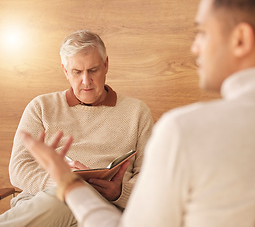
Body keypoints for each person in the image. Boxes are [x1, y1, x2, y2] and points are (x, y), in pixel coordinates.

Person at [17, 0, 255, 226]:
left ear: (240, 39)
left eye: (202, 32)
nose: (195, 48)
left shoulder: (184, 130)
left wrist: (68, 184)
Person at [0, 30, 153, 226]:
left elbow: (150, 178)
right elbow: (19, 169)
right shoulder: (41, 107)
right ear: (65, 70)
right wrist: (64, 182)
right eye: (77, 72)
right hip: (41, 203)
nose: (86, 81)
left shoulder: (137, 112)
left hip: (104, 206)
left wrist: (120, 192)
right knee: (66, 198)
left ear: (106, 65)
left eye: (93, 70)